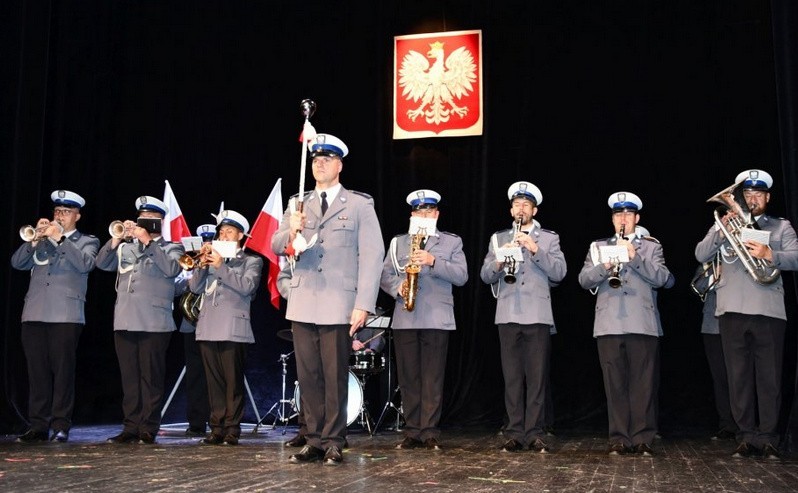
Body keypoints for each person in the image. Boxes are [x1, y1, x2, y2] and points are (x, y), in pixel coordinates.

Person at [271, 133, 384, 465]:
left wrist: (363, 303)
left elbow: (373, 254)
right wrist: (292, 231)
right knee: (308, 375)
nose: (319, 164)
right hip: (304, 299)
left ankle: (335, 439)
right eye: (315, 160)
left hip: (338, 301)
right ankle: (315, 439)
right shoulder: (298, 204)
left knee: (334, 374)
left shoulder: (360, 204)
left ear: (339, 165)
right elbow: (278, 245)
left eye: (326, 160)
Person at [695, 169, 798, 459]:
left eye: (758, 195)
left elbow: (796, 256)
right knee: (738, 377)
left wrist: (770, 254)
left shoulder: (780, 227)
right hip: (731, 309)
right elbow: (700, 255)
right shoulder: (725, 224)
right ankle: (745, 436)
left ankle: (768, 437)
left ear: (767, 198)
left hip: (768, 311)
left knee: (769, 377)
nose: (752, 200)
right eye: (747, 195)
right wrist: (719, 230)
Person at [578, 191, 671, 456]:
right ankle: (618, 437)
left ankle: (643, 438)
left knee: (643, 384)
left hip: (642, 323)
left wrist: (635, 257)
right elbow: (584, 280)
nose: (623, 218)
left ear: (637, 218)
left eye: (628, 214)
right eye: (618, 214)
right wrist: (605, 266)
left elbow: (663, 278)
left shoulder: (651, 246)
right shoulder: (598, 247)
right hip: (608, 323)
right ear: (613, 218)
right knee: (614, 385)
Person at [480, 181, 566, 453]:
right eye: (517, 205)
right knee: (513, 377)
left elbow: (559, 273)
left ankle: (536, 432)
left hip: (537, 315)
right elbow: (485, 276)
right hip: (507, 314)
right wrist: (498, 262)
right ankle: (515, 431)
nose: (521, 209)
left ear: (534, 210)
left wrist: (534, 249)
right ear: (511, 210)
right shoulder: (498, 238)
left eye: (526, 205)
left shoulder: (549, 238)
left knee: (537, 377)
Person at [381, 189, 468, 451]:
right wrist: (398, 287)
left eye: (429, 211)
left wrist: (433, 261)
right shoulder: (398, 243)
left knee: (432, 377)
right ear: (412, 215)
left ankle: (429, 431)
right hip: (405, 316)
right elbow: (384, 274)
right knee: (408, 378)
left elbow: (462, 276)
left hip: (437, 317)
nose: (424, 215)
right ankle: (412, 430)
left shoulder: (451, 242)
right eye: (419, 212)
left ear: (437, 214)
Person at [11, 190, 100, 443]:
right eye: (57, 211)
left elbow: (85, 264)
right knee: (36, 371)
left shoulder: (86, 241)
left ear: (77, 216)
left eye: (66, 212)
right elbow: (17, 263)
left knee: (62, 372)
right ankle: (38, 425)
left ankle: (61, 424)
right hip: (35, 313)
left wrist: (60, 238)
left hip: (65, 315)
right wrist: (33, 241)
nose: (60, 216)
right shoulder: (41, 239)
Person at [96, 195, 184, 444]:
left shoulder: (171, 247)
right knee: (130, 378)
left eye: (151, 218)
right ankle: (130, 426)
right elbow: (101, 264)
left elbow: (172, 269)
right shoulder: (126, 246)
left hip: (154, 322)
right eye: (141, 218)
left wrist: (148, 242)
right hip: (125, 319)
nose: (144, 222)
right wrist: (116, 239)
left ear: (160, 222)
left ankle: (149, 426)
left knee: (151, 377)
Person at [189, 210, 263, 446]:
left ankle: (232, 428)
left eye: (229, 232)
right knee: (214, 382)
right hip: (208, 326)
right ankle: (216, 427)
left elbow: (247, 287)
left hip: (233, 328)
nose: (223, 235)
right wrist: (200, 264)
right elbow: (195, 287)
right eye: (221, 232)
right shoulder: (211, 260)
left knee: (233, 382)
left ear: (240, 235)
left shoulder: (251, 261)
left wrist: (221, 266)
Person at [173, 223, 217, 437]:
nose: (207, 245)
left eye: (210, 240)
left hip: (217, 324)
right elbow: (176, 289)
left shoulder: (222, 259)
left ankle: (219, 421)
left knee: (218, 375)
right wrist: (189, 277)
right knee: (195, 376)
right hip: (191, 325)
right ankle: (197, 422)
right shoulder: (189, 262)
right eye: (204, 241)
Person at [691, 263, 737, 441]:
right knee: (720, 378)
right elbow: (697, 287)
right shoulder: (709, 261)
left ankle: (745, 425)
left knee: (740, 377)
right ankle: (727, 424)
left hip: (737, 324)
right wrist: (714, 274)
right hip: (713, 326)